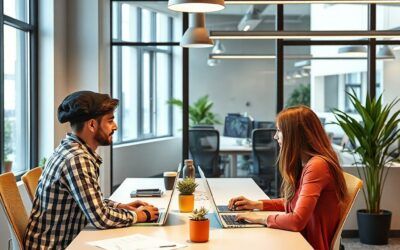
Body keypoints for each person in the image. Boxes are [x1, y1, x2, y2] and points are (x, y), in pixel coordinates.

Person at [25, 91, 159, 249]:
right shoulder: (77, 160)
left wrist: (120, 207)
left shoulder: (70, 149)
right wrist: (139, 215)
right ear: (92, 125)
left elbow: (89, 201)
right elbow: (100, 218)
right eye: (110, 121)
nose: (115, 127)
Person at [228, 105, 347, 250]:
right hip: (299, 238)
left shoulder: (317, 166)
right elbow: (297, 202)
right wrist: (256, 204)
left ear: (295, 135)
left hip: (306, 244)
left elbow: (297, 221)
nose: (275, 136)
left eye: (279, 131)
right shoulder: (309, 163)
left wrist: (260, 218)